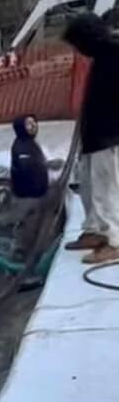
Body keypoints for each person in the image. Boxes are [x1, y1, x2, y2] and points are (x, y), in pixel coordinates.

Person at [64, 13, 119, 265]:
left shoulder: (114, 55)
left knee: (105, 191)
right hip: (93, 136)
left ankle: (114, 240)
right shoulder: (101, 57)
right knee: (88, 186)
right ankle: (94, 230)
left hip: (107, 136)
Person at [10, 115, 50, 269]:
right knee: (24, 235)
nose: (33, 126)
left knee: (33, 234)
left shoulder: (32, 144)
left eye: (34, 122)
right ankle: (15, 271)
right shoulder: (21, 146)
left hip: (36, 196)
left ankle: (29, 268)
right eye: (28, 124)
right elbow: (27, 169)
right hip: (27, 198)